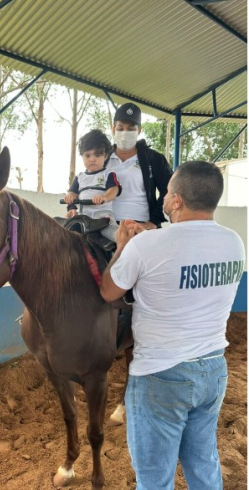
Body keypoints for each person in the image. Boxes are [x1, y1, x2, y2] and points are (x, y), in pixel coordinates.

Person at [100, 160, 245, 490]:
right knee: (203, 464)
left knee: (154, 480)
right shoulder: (234, 243)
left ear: (177, 200)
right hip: (212, 371)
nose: (163, 199)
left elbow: (109, 292)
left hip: (160, 376)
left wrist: (123, 247)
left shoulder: (147, 245)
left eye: (166, 193)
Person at [107, 102, 173, 232]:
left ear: (139, 130)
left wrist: (154, 220)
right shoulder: (102, 158)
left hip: (141, 227)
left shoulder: (153, 159)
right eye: (120, 128)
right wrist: (73, 208)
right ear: (113, 129)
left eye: (131, 129)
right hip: (107, 225)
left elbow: (170, 189)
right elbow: (88, 183)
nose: (125, 132)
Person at [63, 129, 121, 242]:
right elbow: (73, 193)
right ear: (82, 157)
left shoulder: (108, 174)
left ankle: (122, 256)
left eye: (97, 155)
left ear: (105, 156)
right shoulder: (80, 177)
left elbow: (114, 189)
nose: (92, 159)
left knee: (116, 236)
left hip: (103, 219)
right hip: (82, 218)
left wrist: (104, 197)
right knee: (63, 235)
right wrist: (70, 199)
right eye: (87, 155)